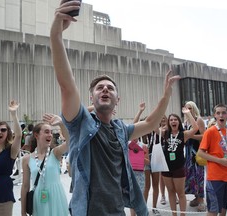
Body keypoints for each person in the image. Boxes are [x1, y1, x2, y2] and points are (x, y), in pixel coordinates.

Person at [50, 1, 181, 215]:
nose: (105, 90)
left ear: (117, 100)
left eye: (110, 88)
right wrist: (56, 35)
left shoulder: (121, 129)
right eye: (99, 88)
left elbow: (150, 123)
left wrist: (166, 95)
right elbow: (66, 85)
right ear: (91, 96)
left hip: (117, 210)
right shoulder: (80, 122)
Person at [20, 113, 69, 216]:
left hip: (56, 197)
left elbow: (71, 142)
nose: (50, 135)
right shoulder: (27, 159)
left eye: (51, 132)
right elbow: (25, 186)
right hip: (38, 199)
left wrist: (61, 124)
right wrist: (23, 212)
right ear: (36, 135)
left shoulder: (55, 152)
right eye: (46, 132)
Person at [197, 103, 227, 216]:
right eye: (218, 113)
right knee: (213, 210)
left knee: (224, 209)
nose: (221, 115)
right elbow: (200, 153)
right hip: (215, 177)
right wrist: (219, 160)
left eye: (224, 113)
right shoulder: (210, 132)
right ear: (214, 115)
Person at [161, 109, 198, 216]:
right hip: (166, 167)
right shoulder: (164, 133)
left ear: (179, 122)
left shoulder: (183, 134)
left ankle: (182, 214)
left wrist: (188, 113)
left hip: (178, 167)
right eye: (171, 120)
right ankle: (174, 214)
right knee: (171, 192)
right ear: (168, 122)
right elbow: (153, 128)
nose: (173, 121)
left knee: (180, 193)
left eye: (175, 119)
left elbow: (195, 128)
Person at [0, 100, 22, 216]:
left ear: (7, 133)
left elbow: (18, 135)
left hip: (4, 193)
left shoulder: (11, 150)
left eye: (3, 130)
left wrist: (13, 114)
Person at [184, 101, 206, 212]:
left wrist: (191, 136)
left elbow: (204, 136)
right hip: (188, 153)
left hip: (197, 152)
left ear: (194, 109)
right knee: (191, 176)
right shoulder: (186, 121)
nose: (188, 110)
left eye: (190, 108)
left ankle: (202, 200)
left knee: (199, 176)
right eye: (186, 108)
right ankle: (196, 197)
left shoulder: (199, 119)